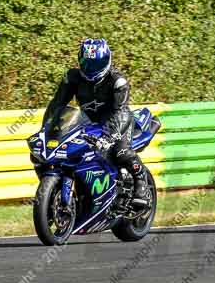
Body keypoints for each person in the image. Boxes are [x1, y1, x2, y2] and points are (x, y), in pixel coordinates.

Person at [42, 38, 149, 205]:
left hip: (118, 121)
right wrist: (47, 129)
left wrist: (110, 136)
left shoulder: (117, 81)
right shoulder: (72, 77)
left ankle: (141, 183)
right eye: (87, 63)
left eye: (97, 63)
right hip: (87, 122)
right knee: (66, 153)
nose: (91, 68)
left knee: (120, 151)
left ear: (107, 60)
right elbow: (57, 104)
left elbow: (119, 111)